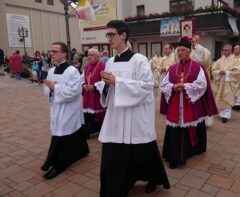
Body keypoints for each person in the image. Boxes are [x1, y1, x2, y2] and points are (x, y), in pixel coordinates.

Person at [95, 20, 170, 197]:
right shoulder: (110, 62)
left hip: (136, 116)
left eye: (111, 34)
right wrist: (105, 85)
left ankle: (153, 178)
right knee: (114, 154)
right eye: (108, 35)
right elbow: (108, 88)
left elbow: (146, 86)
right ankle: (116, 186)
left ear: (123, 35)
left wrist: (117, 82)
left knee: (142, 153)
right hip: (116, 117)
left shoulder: (139, 60)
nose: (109, 38)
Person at [160, 36, 218, 169]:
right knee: (176, 128)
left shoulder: (198, 67)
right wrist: (173, 87)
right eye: (178, 51)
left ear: (189, 51)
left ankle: (193, 150)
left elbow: (202, 85)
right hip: (176, 105)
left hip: (191, 104)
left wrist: (185, 87)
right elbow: (164, 85)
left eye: (183, 50)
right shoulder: (172, 68)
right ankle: (175, 157)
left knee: (192, 126)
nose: (180, 53)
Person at [41, 41, 89, 180]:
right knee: (69, 132)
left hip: (69, 109)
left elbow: (75, 91)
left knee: (62, 134)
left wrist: (54, 88)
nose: (52, 54)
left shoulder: (72, 71)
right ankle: (82, 151)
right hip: (57, 107)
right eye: (52, 51)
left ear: (64, 53)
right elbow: (46, 89)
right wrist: (50, 89)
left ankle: (58, 164)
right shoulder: (51, 71)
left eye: (55, 51)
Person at [211, 45, 240, 123]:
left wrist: (227, 73)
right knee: (220, 98)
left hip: (229, 83)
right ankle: (222, 114)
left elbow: (237, 72)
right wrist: (218, 72)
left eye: (226, 50)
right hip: (220, 82)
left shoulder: (235, 60)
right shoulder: (219, 60)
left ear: (231, 51)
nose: (224, 51)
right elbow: (213, 69)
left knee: (227, 98)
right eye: (223, 50)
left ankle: (226, 116)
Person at [82, 48, 106, 139]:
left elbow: (105, 81)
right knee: (87, 115)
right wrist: (84, 85)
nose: (89, 57)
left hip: (97, 94)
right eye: (88, 55)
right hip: (87, 94)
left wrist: (94, 87)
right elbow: (82, 79)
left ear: (97, 57)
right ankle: (87, 131)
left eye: (91, 55)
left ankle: (97, 130)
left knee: (97, 115)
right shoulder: (86, 67)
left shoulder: (103, 66)